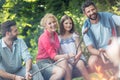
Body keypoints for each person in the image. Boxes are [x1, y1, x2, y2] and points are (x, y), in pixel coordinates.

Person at [81, 0, 120, 72]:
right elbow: (90, 48)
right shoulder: (85, 28)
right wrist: (100, 53)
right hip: (99, 52)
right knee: (91, 62)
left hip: (113, 48)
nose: (92, 12)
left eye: (93, 9)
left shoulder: (108, 17)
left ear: (96, 8)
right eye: (88, 11)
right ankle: (106, 77)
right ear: (85, 14)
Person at [36, 13, 74, 80]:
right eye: (49, 23)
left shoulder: (55, 34)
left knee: (69, 66)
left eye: (54, 22)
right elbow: (54, 56)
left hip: (52, 61)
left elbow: (57, 53)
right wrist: (68, 55)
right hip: (43, 63)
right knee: (60, 72)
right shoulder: (44, 37)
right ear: (45, 26)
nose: (53, 24)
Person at [59, 15, 90, 80]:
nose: (69, 25)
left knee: (80, 65)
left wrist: (76, 59)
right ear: (62, 24)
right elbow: (59, 53)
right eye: (66, 23)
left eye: (70, 23)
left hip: (77, 58)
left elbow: (80, 50)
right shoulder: (59, 38)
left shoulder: (74, 35)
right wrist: (68, 61)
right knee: (68, 69)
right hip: (67, 60)